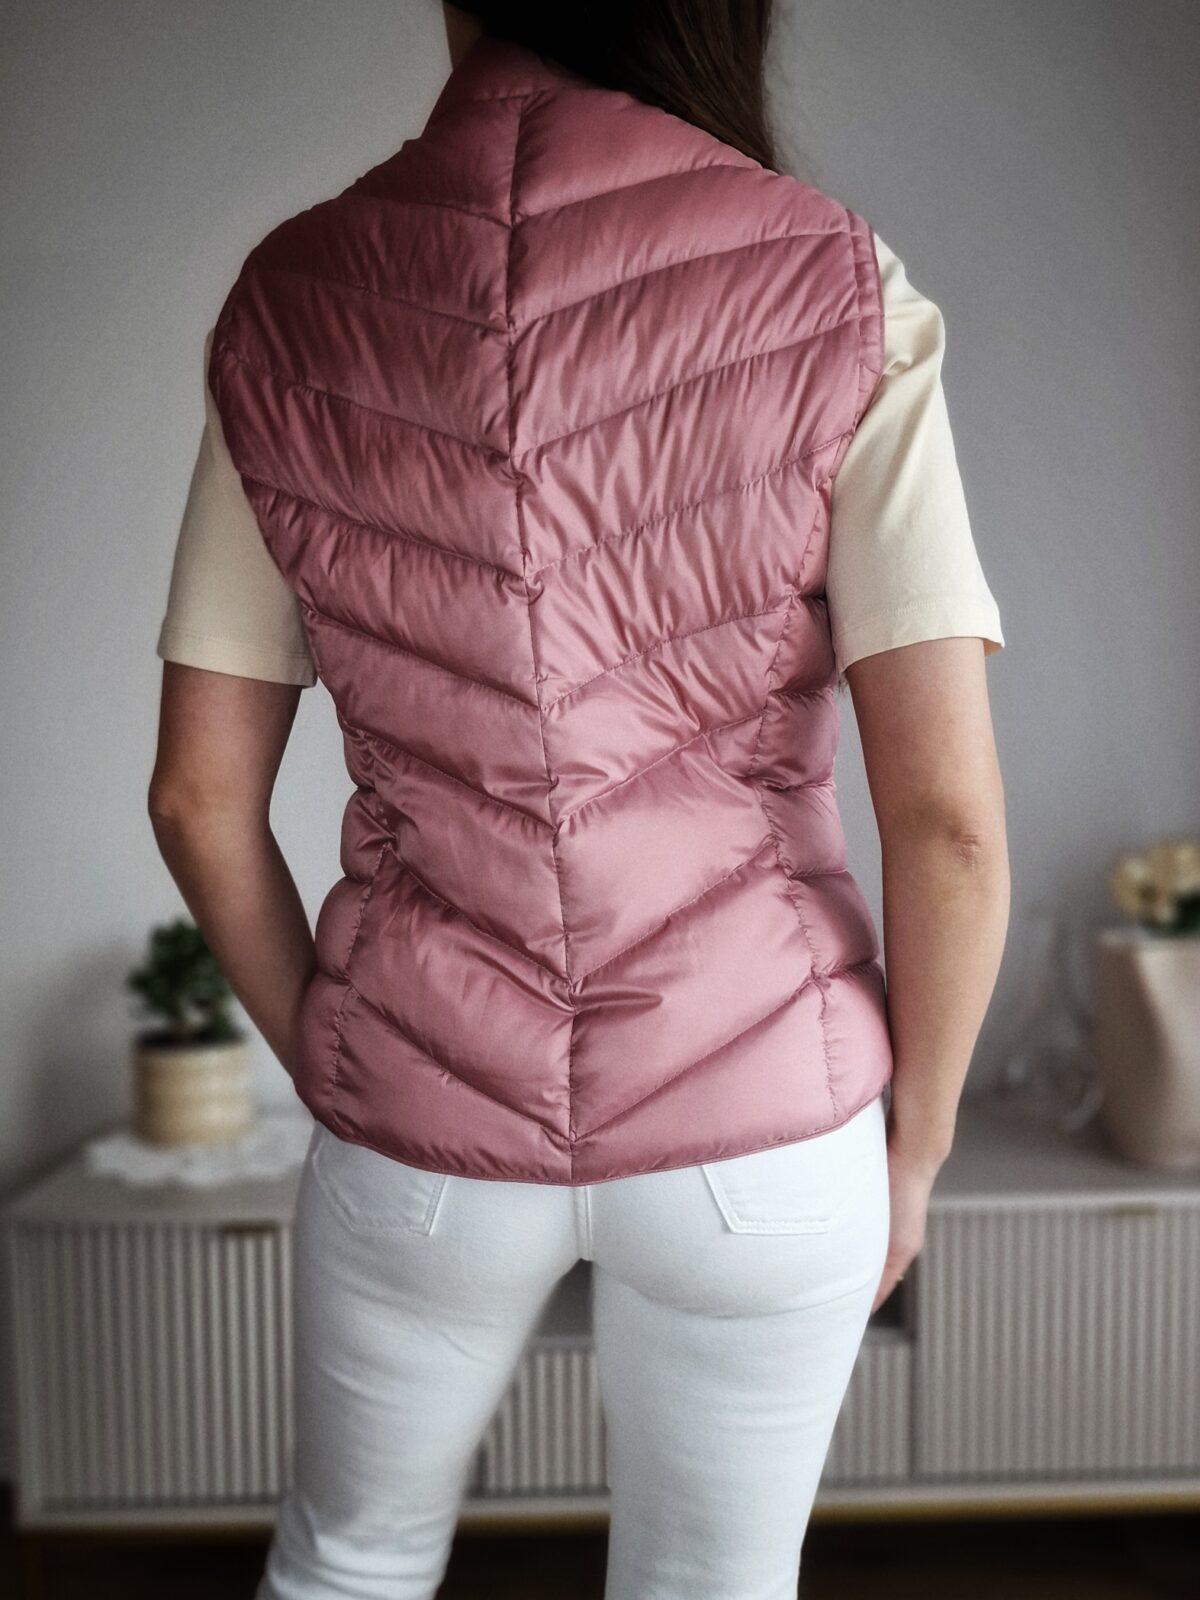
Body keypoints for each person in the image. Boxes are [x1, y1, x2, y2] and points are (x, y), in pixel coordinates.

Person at [148, 3, 1010, 1596]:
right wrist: (917, 1150)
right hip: (763, 1123)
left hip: (423, 1122)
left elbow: (201, 799)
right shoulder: (834, 284)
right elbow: (948, 822)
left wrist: (346, 1051)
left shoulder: (293, 301)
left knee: (347, 1564)